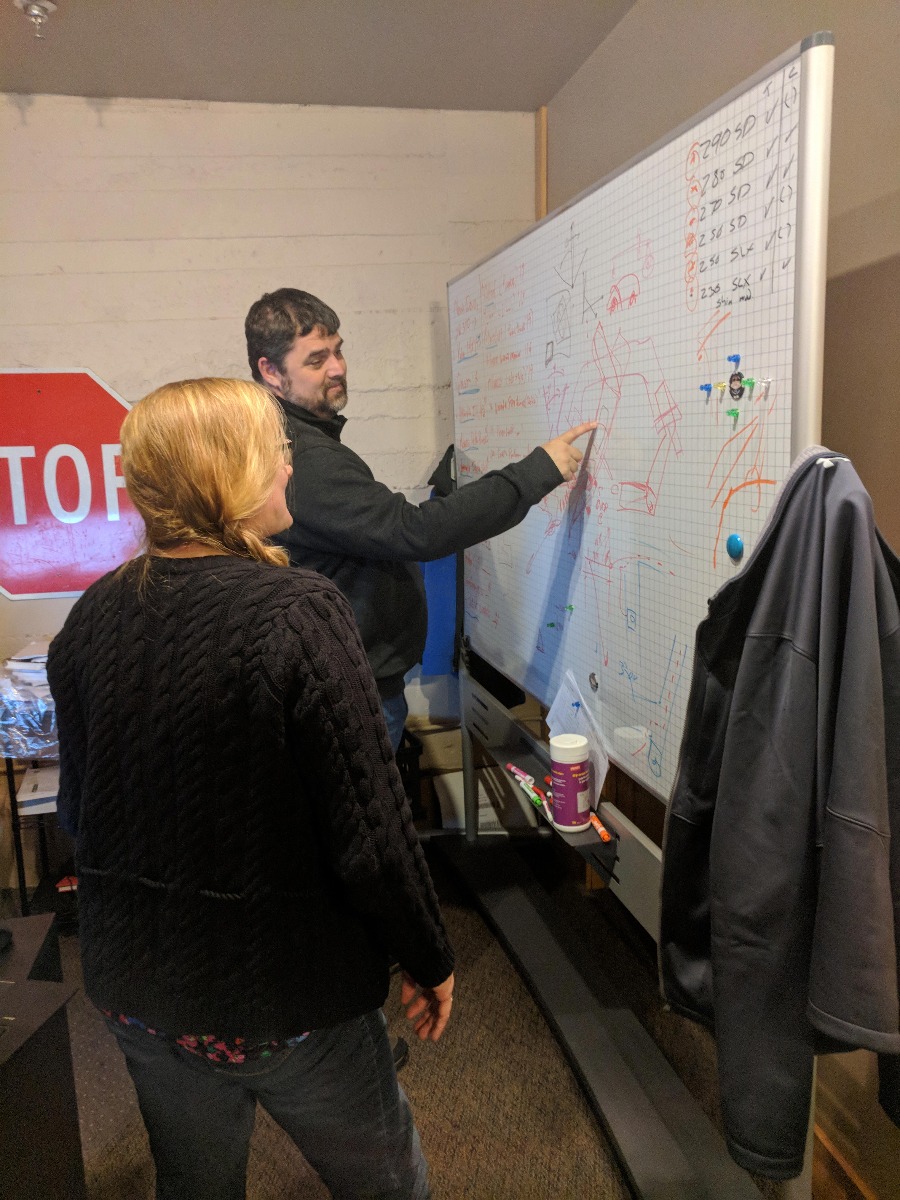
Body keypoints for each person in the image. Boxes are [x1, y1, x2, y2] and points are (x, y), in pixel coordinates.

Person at [47, 378, 455, 1200]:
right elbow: (371, 830)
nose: (285, 463)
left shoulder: (89, 616)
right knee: (386, 1184)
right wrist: (429, 954)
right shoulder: (298, 611)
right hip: (283, 996)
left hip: (141, 992)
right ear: (225, 475)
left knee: (193, 1186)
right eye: (273, 447)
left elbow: (81, 817)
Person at [245, 288, 597, 750]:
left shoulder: (284, 436)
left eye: (338, 350)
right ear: (271, 371)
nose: (337, 368)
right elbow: (416, 531)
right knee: (370, 822)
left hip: (349, 684)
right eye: (316, 360)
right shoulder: (302, 457)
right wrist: (535, 472)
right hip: (351, 695)